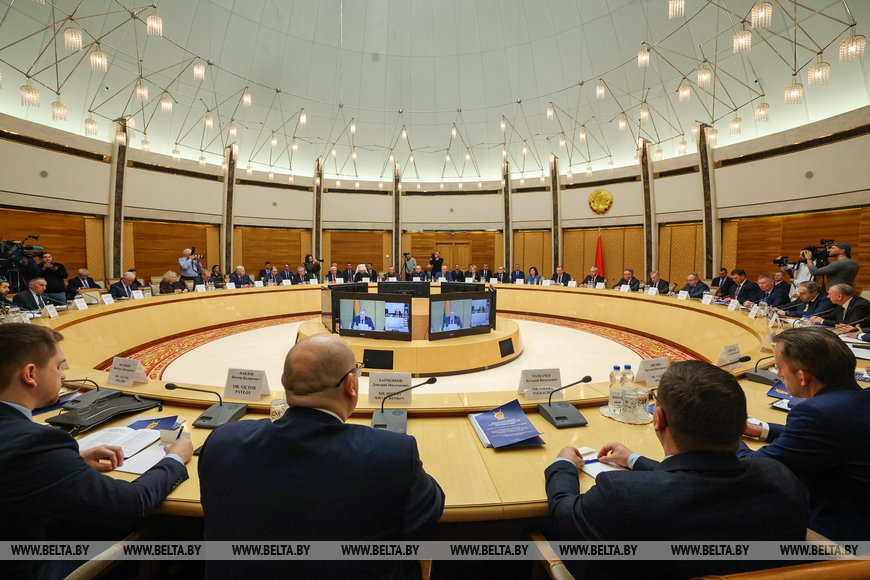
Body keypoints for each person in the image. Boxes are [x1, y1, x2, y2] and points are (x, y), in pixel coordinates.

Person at [198, 334, 444, 579]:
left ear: (284, 381)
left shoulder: (221, 442)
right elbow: (430, 509)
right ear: (350, 385)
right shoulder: (393, 454)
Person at [546, 360, 807, 579]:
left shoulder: (621, 494)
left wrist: (564, 465)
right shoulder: (780, 477)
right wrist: (635, 460)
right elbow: (697, 477)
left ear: (658, 419)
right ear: (742, 425)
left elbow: (563, 514)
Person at [0, 324, 192, 580]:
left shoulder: (26, 445)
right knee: (156, 524)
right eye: (58, 366)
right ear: (30, 374)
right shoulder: (35, 444)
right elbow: (131, 504)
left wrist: (70, 460)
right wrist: (175, 458)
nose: (63, 376)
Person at [738, 327, 869, 541]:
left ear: (802, 377)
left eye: (780, 368)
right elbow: (832, 435)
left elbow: (754, 468)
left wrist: (726, 434)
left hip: (837, 537)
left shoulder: (816, 414)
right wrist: (763, 430)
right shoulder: (855, 401)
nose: (779, 375)